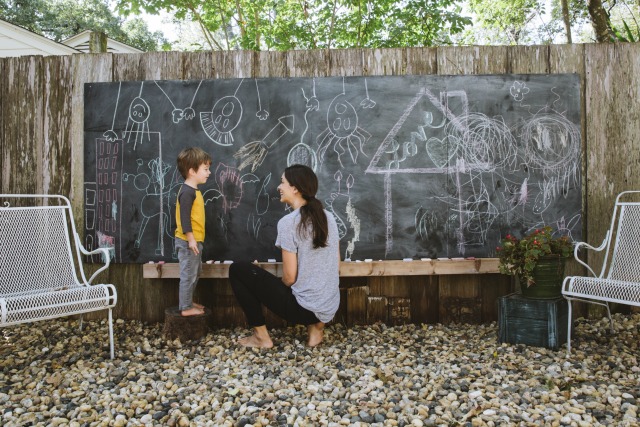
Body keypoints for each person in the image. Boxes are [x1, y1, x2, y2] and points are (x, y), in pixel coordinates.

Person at [229, 164, 340, 348]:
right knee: (311, 289)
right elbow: (336, 266)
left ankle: (261, 337)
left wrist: (266, 288)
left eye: (282, 183)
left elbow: (289, 277)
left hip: (303, 310)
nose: (279, 187)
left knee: (238, 270)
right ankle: (317, 329)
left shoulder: (289, 222)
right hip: (330, 305)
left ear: (295, 188)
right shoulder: (329, 217)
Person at [175, 147, 212, 316]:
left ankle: (188, 302)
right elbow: (184, 219)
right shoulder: (187, 192)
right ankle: (185, 308)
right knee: (188, 274)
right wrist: (190, 239)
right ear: (192, 171)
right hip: (189, 241)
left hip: (195, 240)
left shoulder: (193, 191)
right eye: (205, 169)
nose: (208, 172)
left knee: (195, 273)